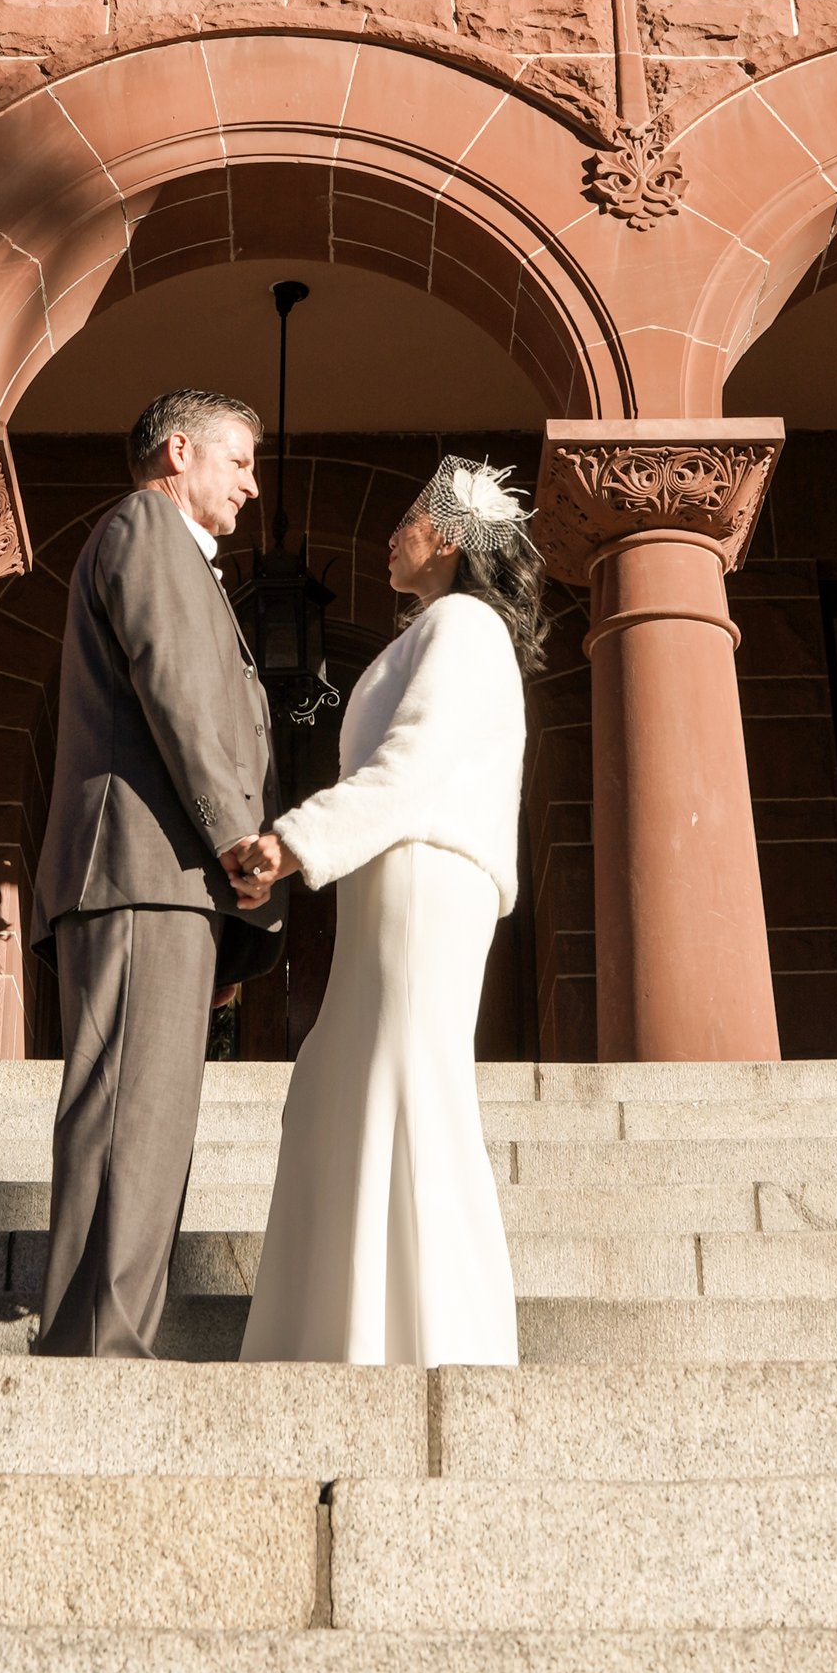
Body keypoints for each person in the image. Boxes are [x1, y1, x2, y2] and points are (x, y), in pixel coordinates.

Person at [229, 456, 537, 1368]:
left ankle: (434, 1342)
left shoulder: (462, 623)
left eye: (405, 519)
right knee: (343, 1084)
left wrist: (293, 841)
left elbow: (411, 764)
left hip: (423, 878)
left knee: (408, 1084)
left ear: (444, 535)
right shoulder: (439, 629)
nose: (389, 534)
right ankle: (343, 1333)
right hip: (394, 879)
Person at [31, 388, 284, 1358]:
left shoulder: (172, 550)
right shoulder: (147, 526)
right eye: (239, 461)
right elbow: (176, 685)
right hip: (145, 869)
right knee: (129, 1114)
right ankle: (95, 1347)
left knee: (149, 1116)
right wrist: (234, 838)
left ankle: (105, 1335)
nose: (251, 485)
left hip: (166, 884)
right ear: (178, 452)